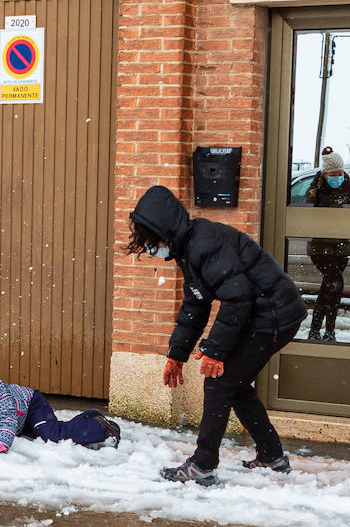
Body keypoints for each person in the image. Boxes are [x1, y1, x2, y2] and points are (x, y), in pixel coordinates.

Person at [127, 185, 306, 485]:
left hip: (274, 314)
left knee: (219, 382)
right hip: (264, 312)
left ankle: (203, 464)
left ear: (164, 231)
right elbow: (195, 305)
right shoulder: (190, 247)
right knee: (233, 384)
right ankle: (272, 455)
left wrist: (215, 351)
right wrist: (177, 354)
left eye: (150, 240)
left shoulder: (203, 245)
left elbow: (238, 298)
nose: (150, 248)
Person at [0, 351, 120, 452]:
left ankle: (102, 428)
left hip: (29, 407)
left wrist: (3, 440)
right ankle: (87, 417)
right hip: (17, 427)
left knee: (52, 436)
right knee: (41, 435)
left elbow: (8, 415)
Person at [303, 147, 350, 342]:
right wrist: (315, 195)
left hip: (341, 245)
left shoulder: (348, 185)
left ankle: (319, 330)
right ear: (325, 174)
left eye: (340, 174)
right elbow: (307, 212)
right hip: (320, 246)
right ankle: (325, 331)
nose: (338, 177)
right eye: (333, 175)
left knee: (332, 286)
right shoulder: (316, 188)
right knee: (334, 283)